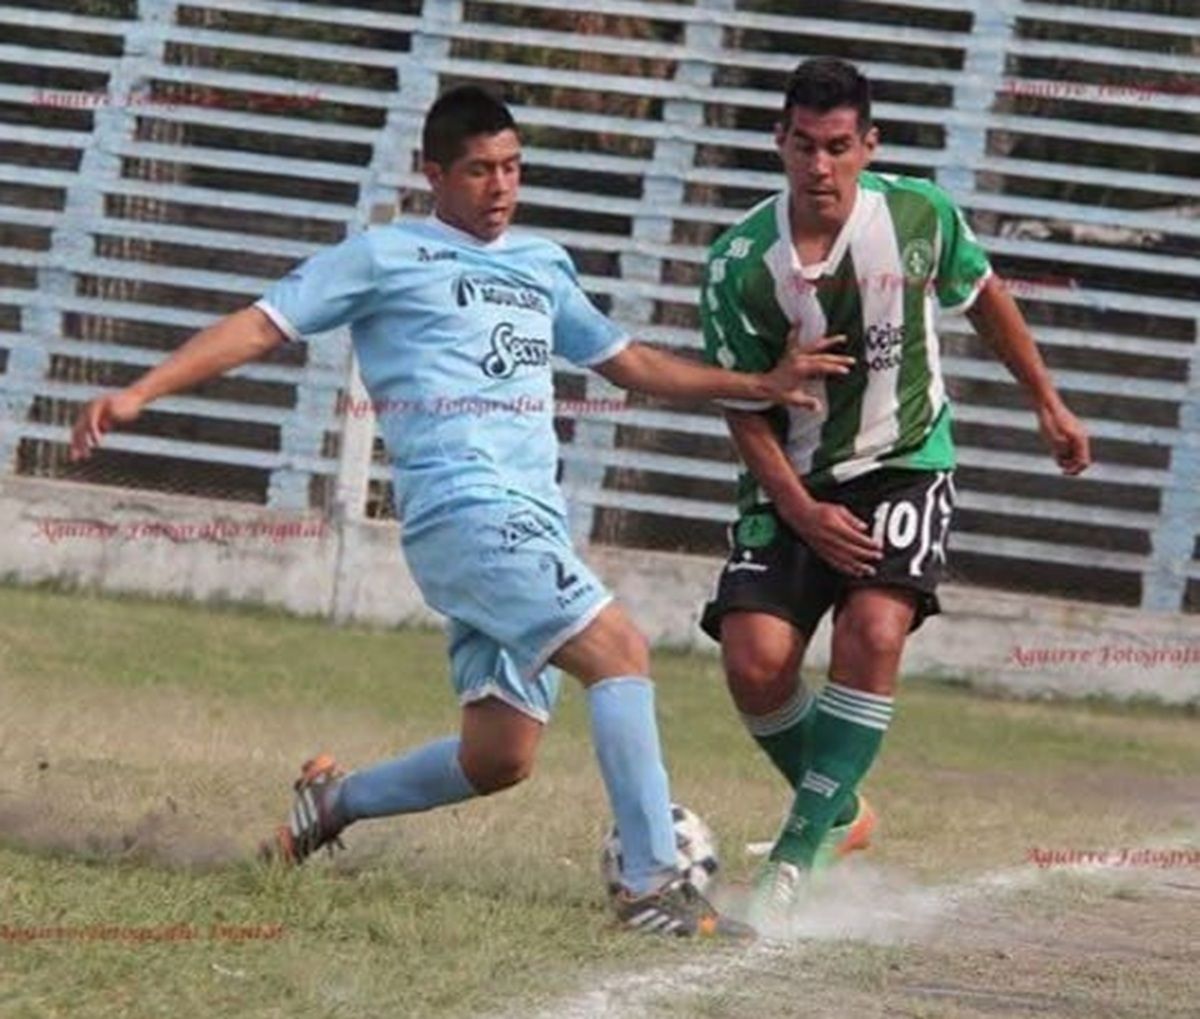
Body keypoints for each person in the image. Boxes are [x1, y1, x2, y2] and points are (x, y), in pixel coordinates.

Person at [69, 85, 849, 938]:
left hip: (533, 521)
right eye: (479, 169)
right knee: (619, 649)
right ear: (433, 173)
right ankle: (651, 882)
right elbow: (264, 324)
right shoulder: (385, 255)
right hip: (462, 511)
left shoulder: (542, 264)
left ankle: (334, 800)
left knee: (499, 755)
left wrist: (758, 382)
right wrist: (141, 391)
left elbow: (627, 361)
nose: (501, 185)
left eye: (512, 167)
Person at [696, 58, 1091, 931]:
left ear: (868, 145)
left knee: (873, 630)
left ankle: (793, 860)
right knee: (754, 662)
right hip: (794, 481)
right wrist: (802, 511)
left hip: (907, 460)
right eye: (805, 145)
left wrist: (1047, 401)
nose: (821, 165)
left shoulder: (919, 215)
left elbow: (984, 297)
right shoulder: (737, 264)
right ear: (779, 141)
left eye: (839, 146)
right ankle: (841, 807)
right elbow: (743, 410)